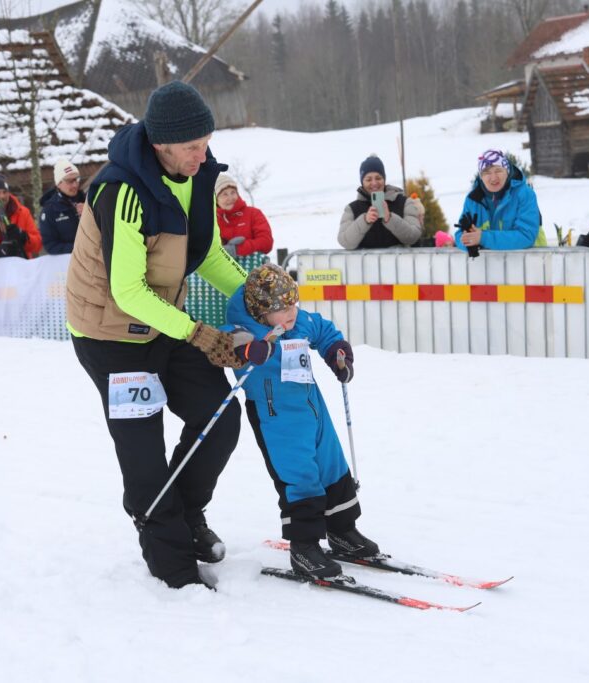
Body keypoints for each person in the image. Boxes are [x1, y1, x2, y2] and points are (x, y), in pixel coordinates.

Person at [65, 80, 260, 590]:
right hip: (109, 336)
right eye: (192, 146)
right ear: (160, 144)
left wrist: (257, 296)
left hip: (163, 320)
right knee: (144, 452)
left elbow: (207, 254)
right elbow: (128, 291)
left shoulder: (198, 175)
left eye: (206, 143)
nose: (202, 155)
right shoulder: (121, 190)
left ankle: (186, 516)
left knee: (218, 416)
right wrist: (199, 334)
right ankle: (172, 563)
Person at [225, 263, 379, 578]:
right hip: (275, 415)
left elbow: (322, 329)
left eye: (293, 303)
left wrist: (337, 353)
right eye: (282, 309)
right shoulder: (244, 329)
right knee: (300, 475)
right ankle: (304, 546)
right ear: (261, 312)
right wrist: (250, 350)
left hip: (312, 406)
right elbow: (229, 345)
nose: (291, 313)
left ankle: (342, 529)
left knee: (332, 464)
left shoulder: (298, 322)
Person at [455, 149, 546, 252]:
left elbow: (526, 236)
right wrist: (468, 242)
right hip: (491, 261)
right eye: (486, 172)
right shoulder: (472, 200)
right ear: (481, 177)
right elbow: (460, 234)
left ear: (507, 172)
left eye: (498, 171)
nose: (493, 178)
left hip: (532, 258)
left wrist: (483, 238)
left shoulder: (524, 194)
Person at [338, 155, 422, 249]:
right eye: (368, 179)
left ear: (384, 179)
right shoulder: (352, 209)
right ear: (362, 182)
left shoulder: (404, 202)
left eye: (378, 178)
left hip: (399, 259)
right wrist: (364, 220)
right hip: (365, 259)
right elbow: (345, 242)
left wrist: (390, 219)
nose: (374, 183)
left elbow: (413, 237)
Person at [215, 173, 273, 258]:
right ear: (216, 199)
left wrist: (237, 249)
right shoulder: (212, 221)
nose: (230, 198)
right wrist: (223, 249)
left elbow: (266, 243)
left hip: (253, 264)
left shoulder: (253, 213)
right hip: (222, 265)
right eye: (225, 194)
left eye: (233, 192)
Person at [39, 158, 85, 255]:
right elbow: (50, 245)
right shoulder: (50, 210)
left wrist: (90, 214)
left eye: (77, 179)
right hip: (68, 260)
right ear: (58, 184)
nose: (75, 184)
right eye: (69, 181)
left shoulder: (89, 200)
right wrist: (79, 248)